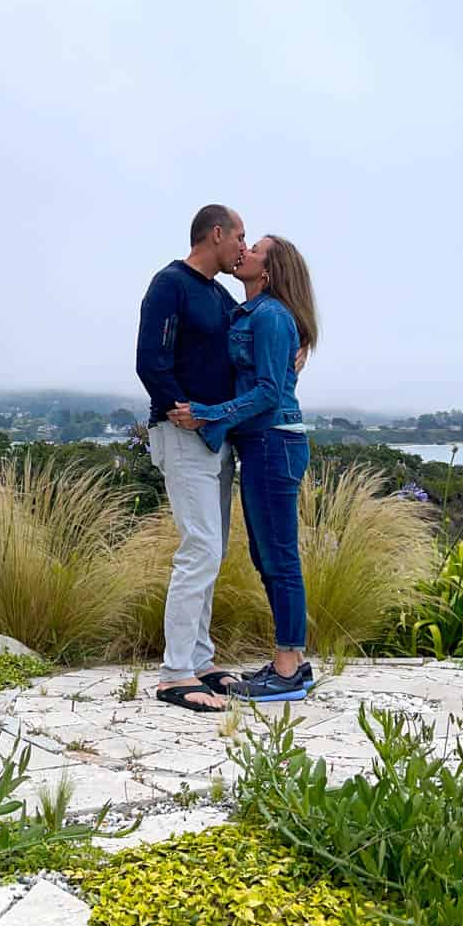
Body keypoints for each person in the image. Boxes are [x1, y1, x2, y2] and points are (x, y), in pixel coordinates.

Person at [169, 234, 318, 702]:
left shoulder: (271, 316)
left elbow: (270, 392)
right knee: (266, 556)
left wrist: (207, 414)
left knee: (279, 559)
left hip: (274, 443)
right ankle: (290, 663)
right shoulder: (250, 312)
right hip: (260, 445)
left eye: (254, 250)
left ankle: (289, 667)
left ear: (269, 271)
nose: (244, 252)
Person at [136, 204, 245, 712]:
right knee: (200, 546)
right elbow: (150, 359)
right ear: (216, 234)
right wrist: (183, 408)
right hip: (182, 435)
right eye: (238, 237)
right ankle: (174, 673)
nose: (242, 248)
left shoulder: (220, 295)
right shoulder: (170, 284)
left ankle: (200, 660)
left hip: (217, 438)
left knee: (213, 548)